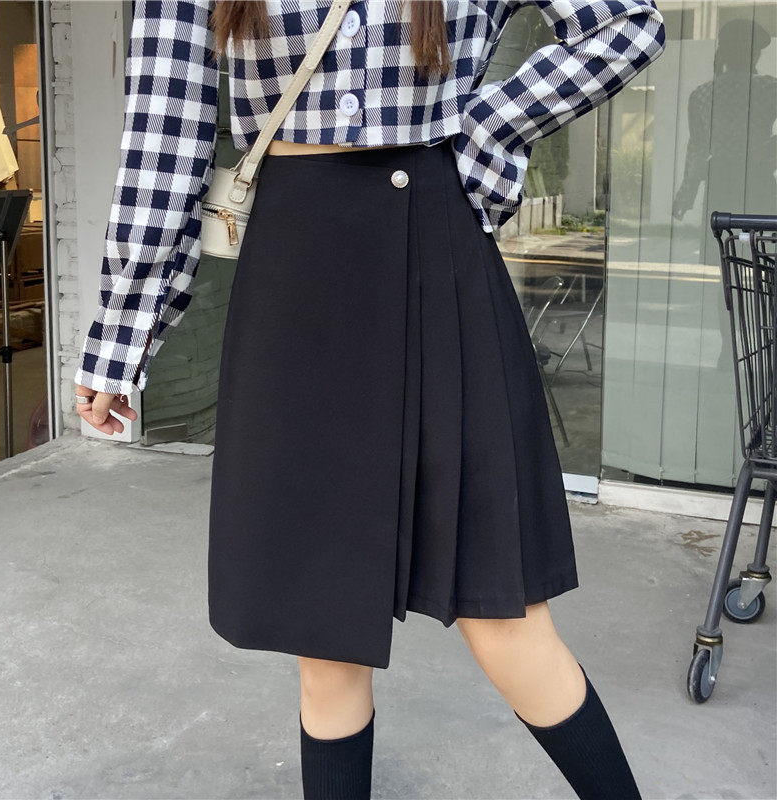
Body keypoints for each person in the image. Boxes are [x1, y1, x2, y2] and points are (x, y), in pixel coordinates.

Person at [73, 1, 666, 798]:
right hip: (297, 273)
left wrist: (488, 127)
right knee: (323, 635)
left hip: (441, 258)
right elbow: (163, 133)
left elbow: (624, 23)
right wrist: (122, 335)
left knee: (506, 618)